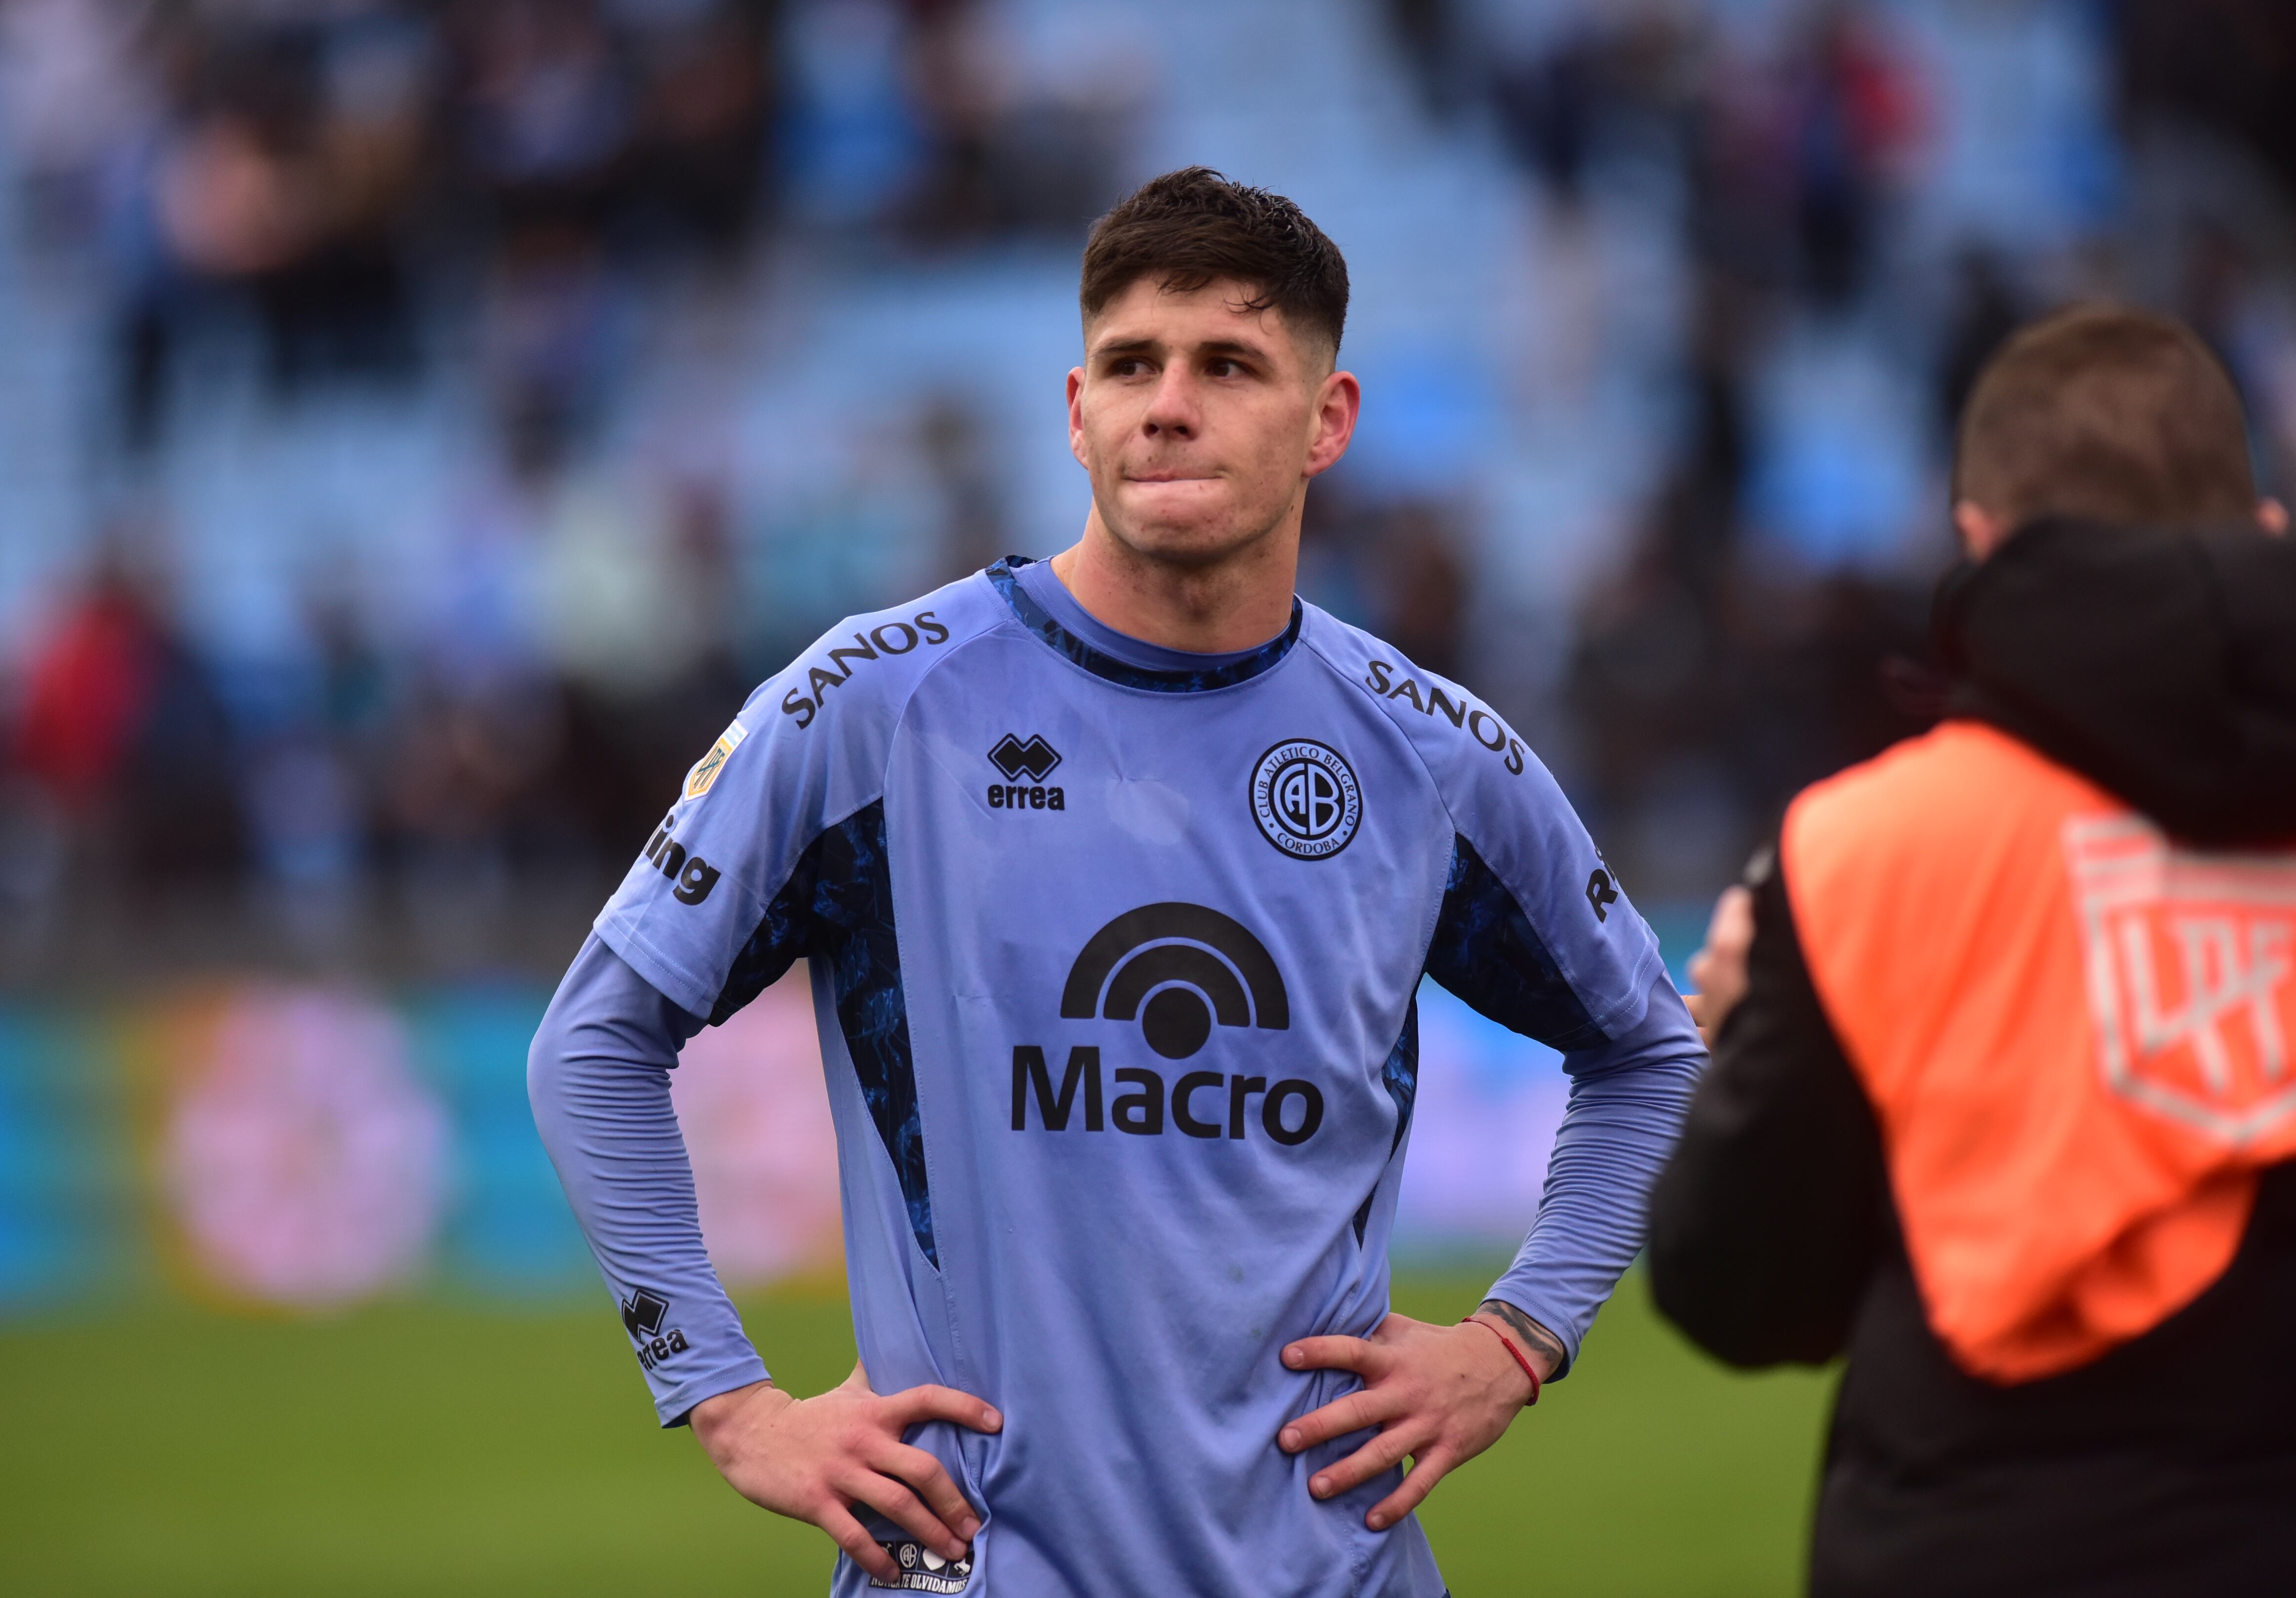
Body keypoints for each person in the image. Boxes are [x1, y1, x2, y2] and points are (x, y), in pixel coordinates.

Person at [530, 167, 1704, 1597]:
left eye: (1230, 365)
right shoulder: (878, 706)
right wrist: (726, 1399)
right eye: (1134, 365)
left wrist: (1518, 1339)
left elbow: (1651, 1049)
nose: (1171, 404)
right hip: (976, 1569)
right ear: (1077, 409)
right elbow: (594, 1040)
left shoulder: (1424, 755)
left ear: (1327, 421)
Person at [1651, 306, 2296, 1596]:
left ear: (1978, 542)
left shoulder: (1860, 849)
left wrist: (1733, 1040)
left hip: (1976, 1537)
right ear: (2264, 526)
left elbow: (1743, 1290)